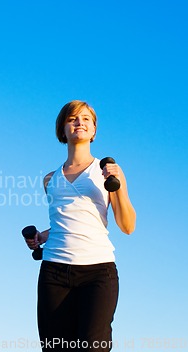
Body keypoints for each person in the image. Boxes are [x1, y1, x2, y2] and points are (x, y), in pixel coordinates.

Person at [25, 100, 136, 352]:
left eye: (86, 119)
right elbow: (70, 221)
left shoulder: (109, 171)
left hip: (97, 272)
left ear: (94, 130)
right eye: (72, 118)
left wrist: (117, 186)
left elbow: (128, 226)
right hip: (53, 272)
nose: (79, 122)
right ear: (62, 129)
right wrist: (42, 236)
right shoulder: (50, 179)